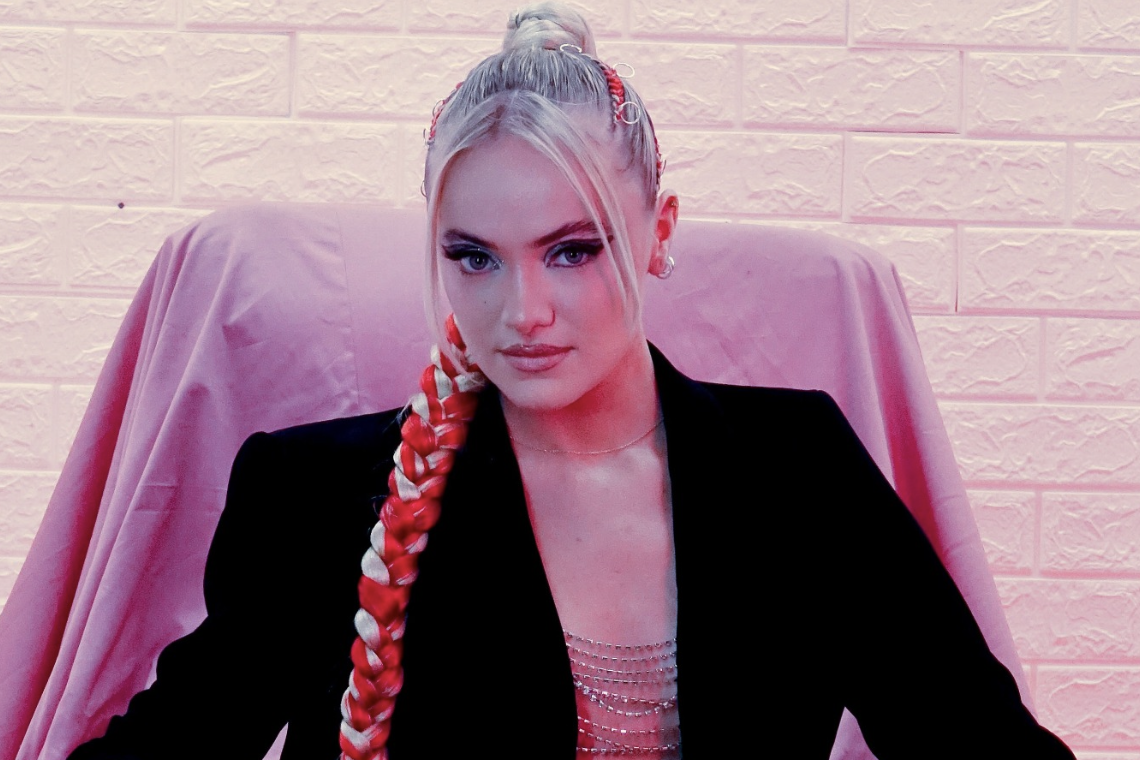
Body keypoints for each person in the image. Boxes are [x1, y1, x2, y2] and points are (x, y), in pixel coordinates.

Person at [69, 3, 1075, 759]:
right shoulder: (318, 496)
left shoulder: (799, 469)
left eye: (572, 250)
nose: (524, 312)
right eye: (473, 256)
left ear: (658, 233)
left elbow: (980, 741)